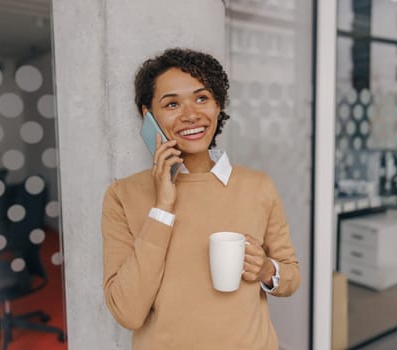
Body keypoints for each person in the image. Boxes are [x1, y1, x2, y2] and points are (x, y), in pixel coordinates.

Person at [101, 48, 301, 350]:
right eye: (171, 103)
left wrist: (265, 270)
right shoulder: (122, 196)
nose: (191, 114)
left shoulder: (258, 186)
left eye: (202, 98)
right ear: (148, 115)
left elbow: (291, 277)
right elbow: (127, 312)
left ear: (218, 105)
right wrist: (162, 208)